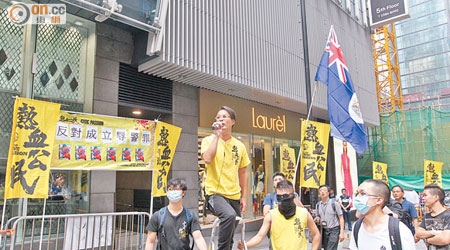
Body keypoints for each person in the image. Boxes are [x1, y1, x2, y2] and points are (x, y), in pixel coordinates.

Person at [201, 106, 250, 250]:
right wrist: (216, 136)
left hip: (234, 194)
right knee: (228, 216)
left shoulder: (239, 146)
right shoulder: (208, 140)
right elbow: (208, 159)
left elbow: (244, 172)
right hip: (214, 193)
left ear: (233, 121)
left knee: (231, 228)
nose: (220, 119)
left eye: (224, 116)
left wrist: (244, 197)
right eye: (218, 117)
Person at [237, 180, 320, 250]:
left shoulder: (303, 213)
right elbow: (260, 236)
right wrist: (245, 245)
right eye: (279, 197)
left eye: (285, 196)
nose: (282, 199)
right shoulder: (271, 215)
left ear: (292, 195)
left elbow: (316, 234)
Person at [349, 179, 416, 250]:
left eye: (363, 194)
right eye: (357, 194)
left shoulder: (399, 230)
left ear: (379, 200)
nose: (358, 198)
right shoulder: (357, 227)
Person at [145, 178, 207, 250]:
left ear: (183, 192)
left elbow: (198, 238)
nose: (173, 192)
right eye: (170, 189)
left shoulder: (190, 216)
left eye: (176, 189)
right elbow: (150, 241)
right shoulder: (158, 216)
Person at [415, 184, 450, 249]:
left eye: (425, 195)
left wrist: (427, 239)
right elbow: (418, 233)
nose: (423, 198)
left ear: (436, 197)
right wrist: (434, 233)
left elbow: (445, 239)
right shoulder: (427, 216)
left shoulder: (448, 215)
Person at [316, 185, 344, 250]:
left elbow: (341, 217)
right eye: (320, 190)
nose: (322, 192)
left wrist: (342, 232)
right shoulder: (318, 205)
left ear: (328, 193)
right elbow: (317, 216)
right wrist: (317, 219)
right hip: (324, 230)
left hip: (334, 230)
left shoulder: (334, 203)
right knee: (325, 248)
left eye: (324, 190)